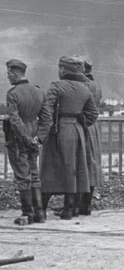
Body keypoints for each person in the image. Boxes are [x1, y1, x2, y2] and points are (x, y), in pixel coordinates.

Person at [39, 56, 99, 220]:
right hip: (78, 132)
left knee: (49, 169)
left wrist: (41, 135)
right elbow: (93, 114)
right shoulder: (84, 89)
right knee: (74, 169)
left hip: (58, 132)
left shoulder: (56, 87)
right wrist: (81, 120)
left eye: (60, 68)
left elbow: (47, 112)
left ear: (63, 70)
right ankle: (69, 210)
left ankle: (41, 211)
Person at [3, 59, 51, 224]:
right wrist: (38, 139)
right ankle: (40, 214)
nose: (8, 76)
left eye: (9, 73)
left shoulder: (13, 93)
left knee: (23, 176)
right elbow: (47, 119)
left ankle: (27, 213)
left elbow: (15, 121)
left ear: (15, 73)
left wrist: (26, 139)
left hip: (18, 140)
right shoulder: (39, 92)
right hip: (34, 138)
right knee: (34, 174)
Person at [78, 57, 103, 216]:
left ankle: (76, 205)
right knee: (91, 164)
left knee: (80, 164)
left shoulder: (82, 85)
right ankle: (86, 204)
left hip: (83, 125)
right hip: (94, 126)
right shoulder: (97, 86)